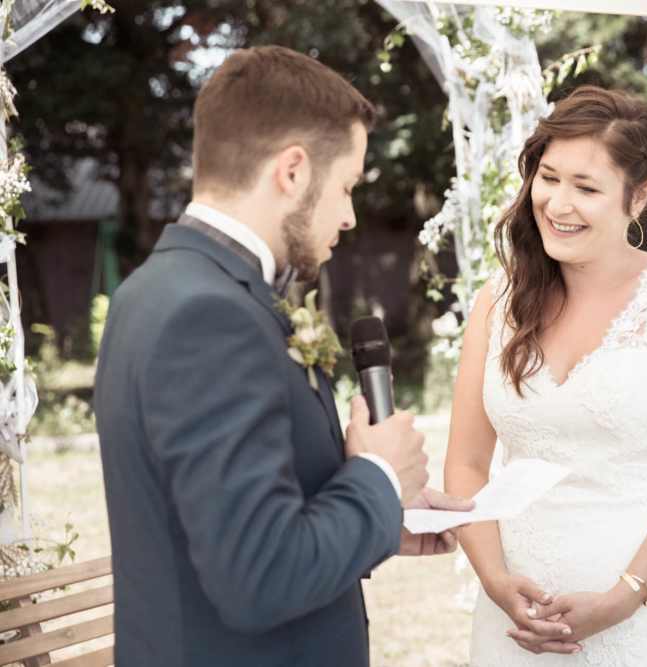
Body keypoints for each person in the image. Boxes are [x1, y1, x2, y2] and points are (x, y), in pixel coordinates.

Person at [94, 45, 471, 667]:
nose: (349, 216)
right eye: (347, 187)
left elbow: (225, 522)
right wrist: (377, 477)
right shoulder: (209, 317)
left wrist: (382, 512)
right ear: (292, 171)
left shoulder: (155, 289)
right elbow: (259, 577)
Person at [443, 86, 647, 665]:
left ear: (639, 196)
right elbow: (464, 464)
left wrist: (623, 598)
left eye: (586, 188)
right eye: (548, 177)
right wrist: (493, 580)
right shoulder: (497, 300)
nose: (558, 204)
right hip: (517, 626)